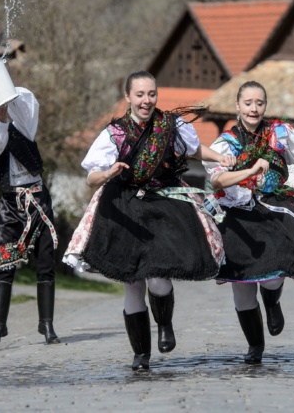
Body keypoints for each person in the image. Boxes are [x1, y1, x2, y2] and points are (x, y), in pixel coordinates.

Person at [62, 70, 235, 371]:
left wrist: (219, 158)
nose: (146, 100)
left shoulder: (171, 124)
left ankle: (165, 323)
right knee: (132, 282)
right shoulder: (114, 133)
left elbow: (193, 149)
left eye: (151, 94)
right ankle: (140, 354)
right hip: (124, 204)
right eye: (140, 95)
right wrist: (108, 174)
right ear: (128, 97)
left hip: (163, 201)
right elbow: (92, 177)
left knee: (158, 276)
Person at [203, 80, 294, 364]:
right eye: (248, 103)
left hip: (275, 207)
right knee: (242, 287)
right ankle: (255, 347)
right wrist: (250, 171)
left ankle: (272, 301)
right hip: (238, 213)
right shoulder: (226, 143)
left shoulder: (278, 133)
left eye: (259, 103)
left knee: (274, 272)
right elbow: (217, 179)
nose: (254, 108)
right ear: (237, 106)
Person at [0, 87, 61, 346]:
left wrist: (4, 92)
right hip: (11, 209)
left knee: (46, 265)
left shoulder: (23, 127)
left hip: (38, 204)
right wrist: (1, 121)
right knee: (4, 267)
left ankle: (46, 324)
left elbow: (28, 101)